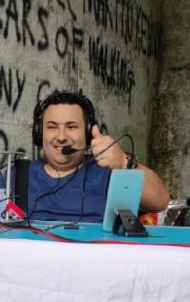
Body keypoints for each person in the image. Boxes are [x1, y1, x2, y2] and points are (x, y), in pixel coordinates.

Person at [24, 90, 169, 222]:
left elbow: (160, 202)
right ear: (39, 133)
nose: (61, 137)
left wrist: (124, 161)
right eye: (52, 127)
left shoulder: (108, 173)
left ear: (87, 133)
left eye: (71, 127)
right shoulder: (19, 176)